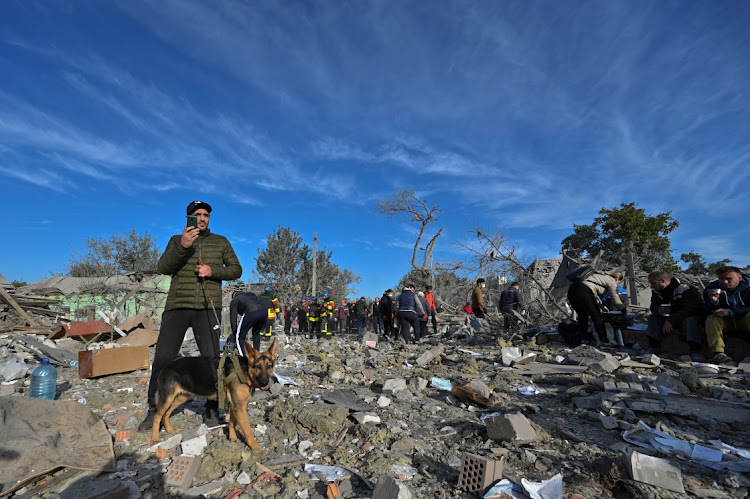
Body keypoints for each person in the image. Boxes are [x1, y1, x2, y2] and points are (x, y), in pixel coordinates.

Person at [139, 200, 242, 432]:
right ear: (188, 218)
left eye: (206, 214)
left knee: (212, 360)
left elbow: (236, 269)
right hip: (177, 307)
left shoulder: (221, 242)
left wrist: (213, 271)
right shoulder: (177, 240)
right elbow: (164, 267)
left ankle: (211, 407)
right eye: (197, 215)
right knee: (164, 359)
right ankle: (154, 409)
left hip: (207, 308)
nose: (202, 218)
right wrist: (184, 246)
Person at [646, 271, 705, 360]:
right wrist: (658, 310)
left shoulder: (686, 289)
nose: (652, 286)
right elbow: (653, 305)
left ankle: (695, 350)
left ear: (663, 281)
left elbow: (691, 309)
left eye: (654, 283)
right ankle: (653, 347)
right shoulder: (657, 290)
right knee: (652, 318)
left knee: (690, 321)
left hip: (687, 316)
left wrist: (671, 320)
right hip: (670, 317)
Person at [704, 266, 750, 363]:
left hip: (744, 319)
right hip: (726, 321)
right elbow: (707, 309)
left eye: (729, 279)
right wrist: (714, 302)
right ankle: (718, 353)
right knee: (712, 319)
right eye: (721, 279)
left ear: (740, 278)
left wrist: (731, 311)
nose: (724, 282)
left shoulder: (748, 288)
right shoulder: (712, 288)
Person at [566, 270, 626, 345]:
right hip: (584, 291)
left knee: (582, 316)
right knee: (597, 317)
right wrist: (623, 310)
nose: (618, 284)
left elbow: (593, 295)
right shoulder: (612, 281)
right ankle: (604, 342)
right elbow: (615, 298)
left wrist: (601, 306)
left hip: (572, 291)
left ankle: (583, 340)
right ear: (617, 279)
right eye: (619, 283)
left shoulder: (600, 277)